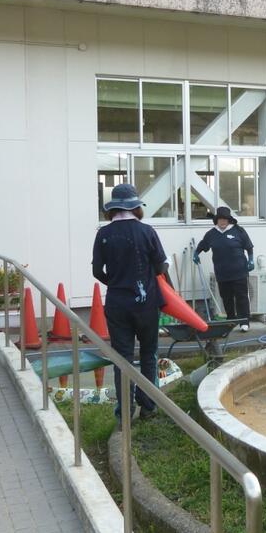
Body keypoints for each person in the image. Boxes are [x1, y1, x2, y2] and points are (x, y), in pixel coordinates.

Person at [92, 183, 169, 427]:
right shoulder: (147, 231)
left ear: (113, 208)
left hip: (117, 304)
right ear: (136, 207)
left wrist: (115, 283)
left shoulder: (103, 234)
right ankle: (148, 406)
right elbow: (160, 265)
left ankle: (125, 414)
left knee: (122, 359)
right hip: (146, 304)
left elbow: (97, 271)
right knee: (148, 354)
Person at [194, 206, 254, 332]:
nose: (222, 221)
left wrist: (251, 260)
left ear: (229, 220)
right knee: (226, 297)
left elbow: (249, 246)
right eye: (220, 219)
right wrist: (196, 253)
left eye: (225, 219)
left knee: (241, 297)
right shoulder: (212, 234)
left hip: (239, 271)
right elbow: (203, 245)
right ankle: (231, 320)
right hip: (222, 273)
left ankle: (244, 322)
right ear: (217, 220)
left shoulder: (238, 231)